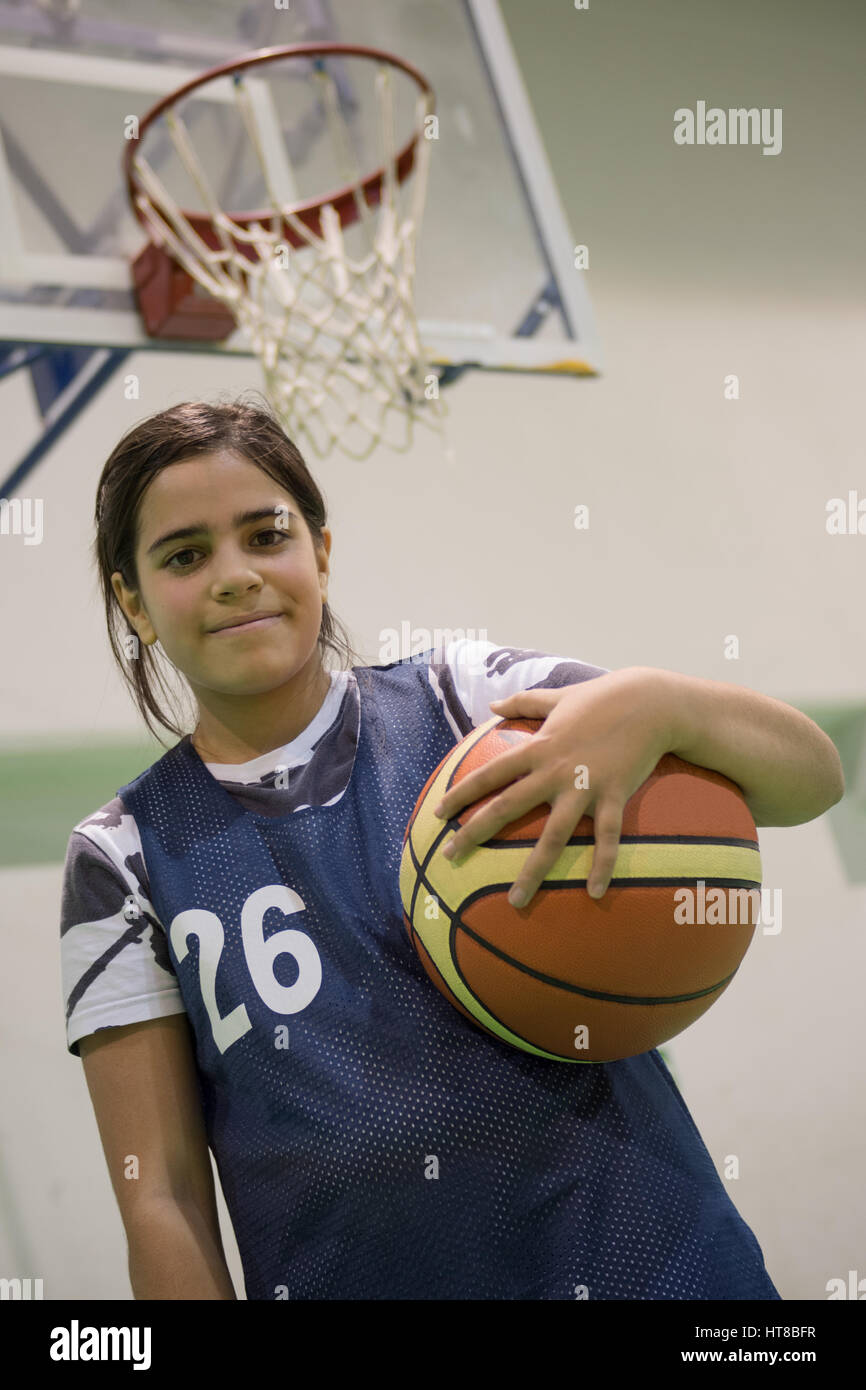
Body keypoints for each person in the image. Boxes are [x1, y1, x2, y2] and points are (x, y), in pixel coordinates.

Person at [60, 396, 840, 1300]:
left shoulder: (471, 703)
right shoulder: (121, 858)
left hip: (653, 1267)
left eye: (265, 535)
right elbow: (160, 1198)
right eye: (186, 556)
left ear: (320, 550)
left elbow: (811, 778)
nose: (235, 575)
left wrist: (667, 703)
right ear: (136, 602)